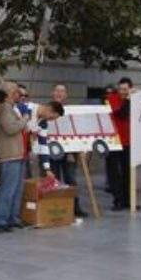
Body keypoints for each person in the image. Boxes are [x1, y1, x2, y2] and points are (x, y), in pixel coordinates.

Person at [0, 82, 28, 231]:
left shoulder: (11, 108)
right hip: (8, 154)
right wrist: (25, 118)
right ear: (7, 93)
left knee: (17, 189)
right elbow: (11, 128)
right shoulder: (4, 109)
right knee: (8, 189)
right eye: (15, 91)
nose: (18, 94)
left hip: (16, 153)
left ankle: (12, 217)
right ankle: (1, 220)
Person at [47, 84, 84, 217]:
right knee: (54, 180)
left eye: (62, 91)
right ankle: (56, 208)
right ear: (53, 93)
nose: (59, 93)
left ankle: (75, 207)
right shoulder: (46, 109)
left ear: (66, 95)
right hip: (51, 152)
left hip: (69, 152)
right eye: (57, 90)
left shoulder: (71, 111)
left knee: (71, 180)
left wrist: (75, 151)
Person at [106, 77, 133, 211]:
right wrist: (128, 99)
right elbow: (121, 114)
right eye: (121, 89)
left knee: (128, 172)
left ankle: (128, 200)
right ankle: (118, 200)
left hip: (128, 141)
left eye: (125, 90)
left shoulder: (134, 100)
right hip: (114, 141)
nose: (123, 92)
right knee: (114, 173)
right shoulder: (112, 98)